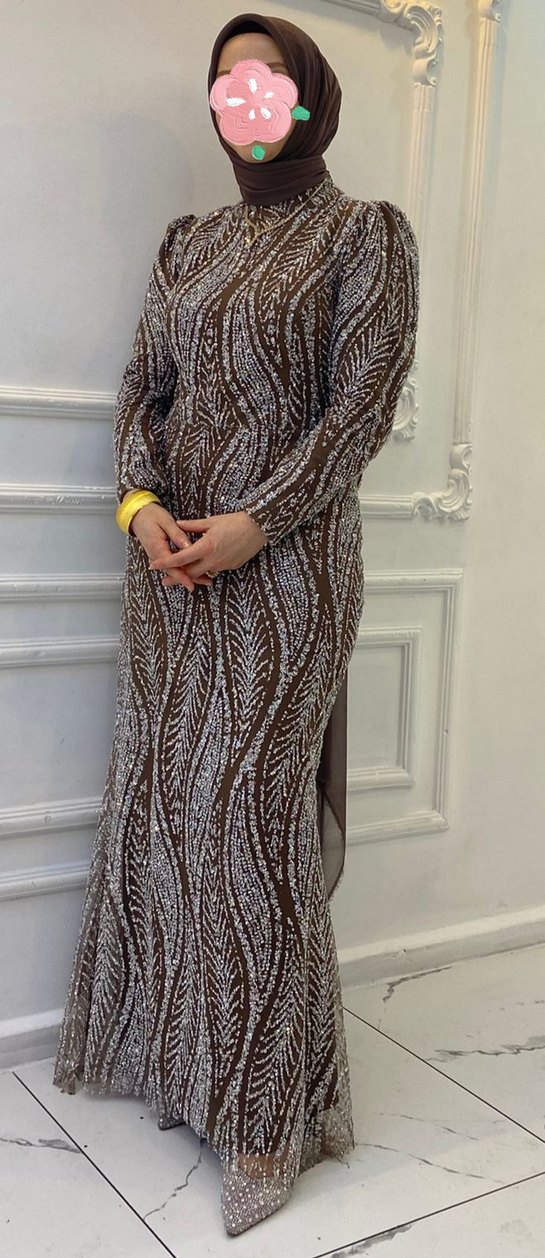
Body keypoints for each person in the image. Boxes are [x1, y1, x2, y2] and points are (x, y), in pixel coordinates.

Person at [52, 10, 420, 1238]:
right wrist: (142, 505)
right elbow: (141, 390)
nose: (241, 99)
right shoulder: (187, 242)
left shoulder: (364, 236)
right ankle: (188, 1067)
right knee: (171, 822)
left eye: (262, 80)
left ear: (307, 96)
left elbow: (357, 410)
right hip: (171, 578)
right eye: (224, 84)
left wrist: (256, 521)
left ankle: (267, 1122)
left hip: (287, 575)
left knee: (249, 831)